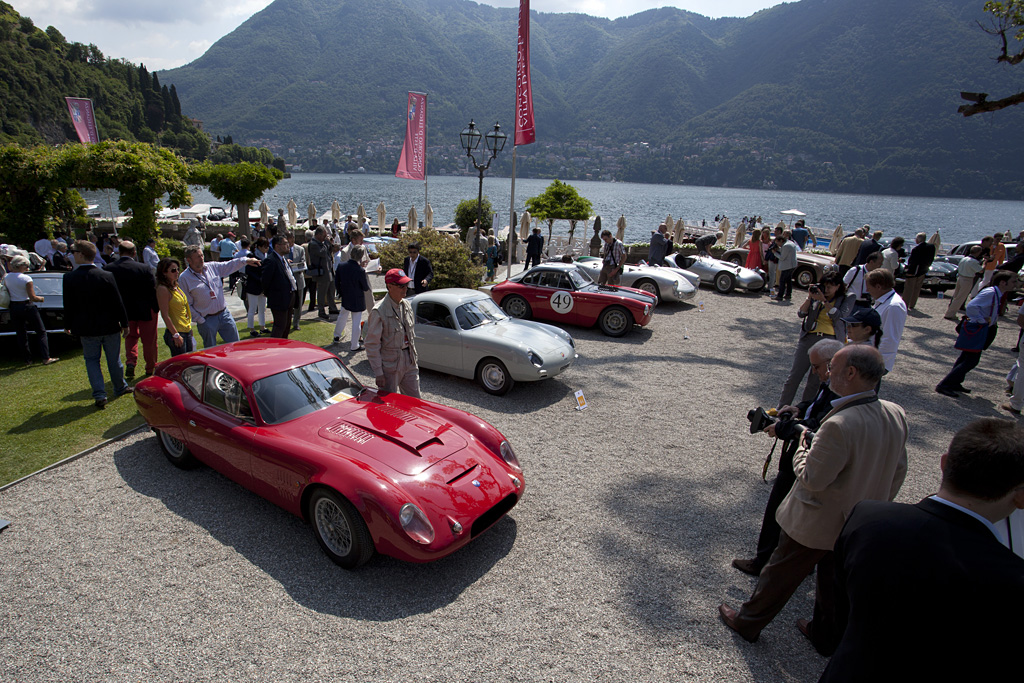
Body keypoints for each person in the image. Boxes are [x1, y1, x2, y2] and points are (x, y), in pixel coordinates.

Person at [718, 345, 907, 655]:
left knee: (779, 572)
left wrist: (805, 442)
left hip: (819, 519)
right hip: (858, 520)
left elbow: (813, 478)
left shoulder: (838, 425)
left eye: (834, 366)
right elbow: (899, 468)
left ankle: (747, 621)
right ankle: (825, 635)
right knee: (834, 582)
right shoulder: (895, 412)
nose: (828, 372)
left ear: (851, 373)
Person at [819, 418, 1024, 682]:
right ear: (1019, 497)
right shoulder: (1012, 579)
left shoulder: (868, 517)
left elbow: (842, 608)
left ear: (944, 462)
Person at [733, 339, 844, 577]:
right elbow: (815, 407)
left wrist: (782, 429)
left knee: (779, 508)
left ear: (830, 363)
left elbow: (817, 427)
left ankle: (764, 562)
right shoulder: (833, 383)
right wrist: (798, 409)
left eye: (816, 367)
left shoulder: (840, 389)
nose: (813, 372)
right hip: (802, 457)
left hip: (804, 460)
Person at [63, 241, 130, 409]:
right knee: (113, 360)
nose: (72, 255)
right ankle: (119, 387)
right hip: (109, 326)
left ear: (80, 254)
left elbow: (68, 304)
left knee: (92, 360)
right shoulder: (105, 275)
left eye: (74, 252)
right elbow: (118, 302)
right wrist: (124, 323)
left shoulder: (70, 278)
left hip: (87, 328)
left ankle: (100, 393)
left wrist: (67, 324)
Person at [777, 272, 855, 408]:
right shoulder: (816, 295)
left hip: (830, 340)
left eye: (830, 287)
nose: (826, 289)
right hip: (809, 337)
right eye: (824, 286)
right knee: (794, 376)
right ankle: (782, 408)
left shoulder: (846, 298)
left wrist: (824, 301)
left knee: (815, 380)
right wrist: (809, 298)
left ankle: (802, 410)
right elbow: (801, 314)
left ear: (838, 286)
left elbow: (840, 317)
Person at [936, 270, 1017, 397]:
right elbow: (972, 306)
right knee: (971, 360)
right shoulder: (990, 293)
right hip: (977, 329)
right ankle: (944, 385)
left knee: (965, 357)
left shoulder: (996, 293)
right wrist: (981, 320)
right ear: (1003, 282)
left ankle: (955, 382)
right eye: (1013, 281)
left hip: (982, 329)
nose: (1015, 284)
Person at [178, 244, 260, 348]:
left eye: (202, 255)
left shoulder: (212, 267)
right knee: (211, 350)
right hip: (206, 319)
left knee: (236, 346)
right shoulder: (184, 278)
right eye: (198, 257)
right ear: (189, 260)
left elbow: (229, 265)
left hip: (224, 314)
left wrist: (246, 260)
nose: (201, 258)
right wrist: (200, 320)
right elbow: (187, 304)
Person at [104, 241, 159, 380]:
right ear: (134, 252)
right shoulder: (144, 268)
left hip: (125, 311)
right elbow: (153, 290)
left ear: (119, 252)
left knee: (130, 337)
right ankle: (150, 367)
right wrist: (156, 307)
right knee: (149, 340)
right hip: (146, 310)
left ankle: (130, 362)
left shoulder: (109, 268)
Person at [364, 269, 420, 397]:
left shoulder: (406, 305)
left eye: (406, 284)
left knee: (415, 402)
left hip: (409, 360)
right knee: (389, 403)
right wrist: (378, 372)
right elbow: (372, 344)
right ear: (389, 286)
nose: (405, 288)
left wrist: (414, 360)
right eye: (401, 285)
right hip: (390, 366)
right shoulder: (378, 311)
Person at [3, 255, 59, 366]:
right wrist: (42, 298)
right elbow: (32, 297)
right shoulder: (26, 279)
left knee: (21, 334)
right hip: (27, 306)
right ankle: (45, 357)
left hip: (14, 307)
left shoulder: (7, 277)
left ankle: (27, 360)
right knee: (41, 331)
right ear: (21, 266)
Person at [866, 269, 907, 375]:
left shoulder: (894, 306)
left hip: (875, 361)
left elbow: (889, 338)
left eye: (869, 287)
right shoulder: (883, 301)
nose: (867, 290)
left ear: (878, 287)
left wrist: (875, 363)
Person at [333, 245, 370, 351]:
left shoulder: (341, 266)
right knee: (356, 322)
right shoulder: (360, 270)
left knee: (342, 316)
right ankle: (354, 345)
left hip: (346, 296)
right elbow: (365, 287)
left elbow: (337, 282)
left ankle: (336, 335)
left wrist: (341, 292)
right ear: (361, 256)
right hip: (357, 299)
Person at [155, 258, 195, 356]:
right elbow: (165, 315)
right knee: (182, 364)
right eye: (173, 270)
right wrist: (175, 334)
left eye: (178, 269)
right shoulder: (163, 289)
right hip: (177, 332)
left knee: (190, 362)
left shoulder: (176, 287)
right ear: (164, 273)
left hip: (186, 330)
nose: (177, 272)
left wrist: (189, 329)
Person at [262, 235, 298, 339]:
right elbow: (265, 281)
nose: (288, 246)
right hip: (279, 299)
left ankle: (284, 349)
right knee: (279, 326)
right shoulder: (271, 260)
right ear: (277, 246)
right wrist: (273, 294)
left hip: (289, 296)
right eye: (286, 244)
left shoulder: (284, 259)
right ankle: (275, 349)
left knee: (286, 326)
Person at [944, 245, 984, 320]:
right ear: (978, 252)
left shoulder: (964, 259)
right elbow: (981, 270)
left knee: (956, 296)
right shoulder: (973, 261)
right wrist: (984, 263)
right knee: (960, 297)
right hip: (967, 279)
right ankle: (950, 314)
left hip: (960, 277)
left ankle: (950, 311)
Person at [306, 227, 338, 320]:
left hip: (329, 271)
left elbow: (329, 251)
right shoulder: (313, 244)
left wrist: (330, 244)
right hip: (322, 272)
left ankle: (332, 308)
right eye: (324, 236)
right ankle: (321, 311)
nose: (325, 237)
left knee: (331, 290)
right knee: (322, 292)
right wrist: (327, 242)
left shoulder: (322, 243)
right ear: (318, 235)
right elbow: (323, 253)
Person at [902, 232, 935, 309]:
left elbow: (912, 262)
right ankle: (912, 304)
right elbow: (931, 259)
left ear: (918, 240)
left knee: (909, 288)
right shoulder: (931, 247)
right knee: (917, 289)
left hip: (914, 271)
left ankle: (905, 304)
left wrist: (908, 271)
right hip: (923, 270)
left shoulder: (916, 249)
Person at [244, 237, 270, 337]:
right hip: (253, 286)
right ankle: (252, 329)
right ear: (259, 247)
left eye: (267, 247)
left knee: (262, 308)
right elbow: (248, 271)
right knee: (252, 309)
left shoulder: (266, 256)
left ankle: (262, 327)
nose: (266, 249)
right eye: (264, 247)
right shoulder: (252, 256)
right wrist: (260, 279)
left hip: (262, 287)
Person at [284, 232, 306, 331]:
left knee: (299, 303)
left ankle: (296, 322)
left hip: (298, 278)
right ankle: (286, 322)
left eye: (291, 238)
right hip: (287, 280)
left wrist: (296, 266)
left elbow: (303, 262)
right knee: (288, 303)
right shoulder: (283, 250)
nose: (290, 240)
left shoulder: (300, 249)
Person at [773, 234, 798, 302]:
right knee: (788, 280)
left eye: (778, 243)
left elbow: (782, 257)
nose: (778, 245)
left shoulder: (786, 246)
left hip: (787, 266)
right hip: (792, 265)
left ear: (781, 240)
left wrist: (775, 253)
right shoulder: (790, 243)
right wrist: (779, 249)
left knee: (782, 281)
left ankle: (780, 295)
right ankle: (788, 294)